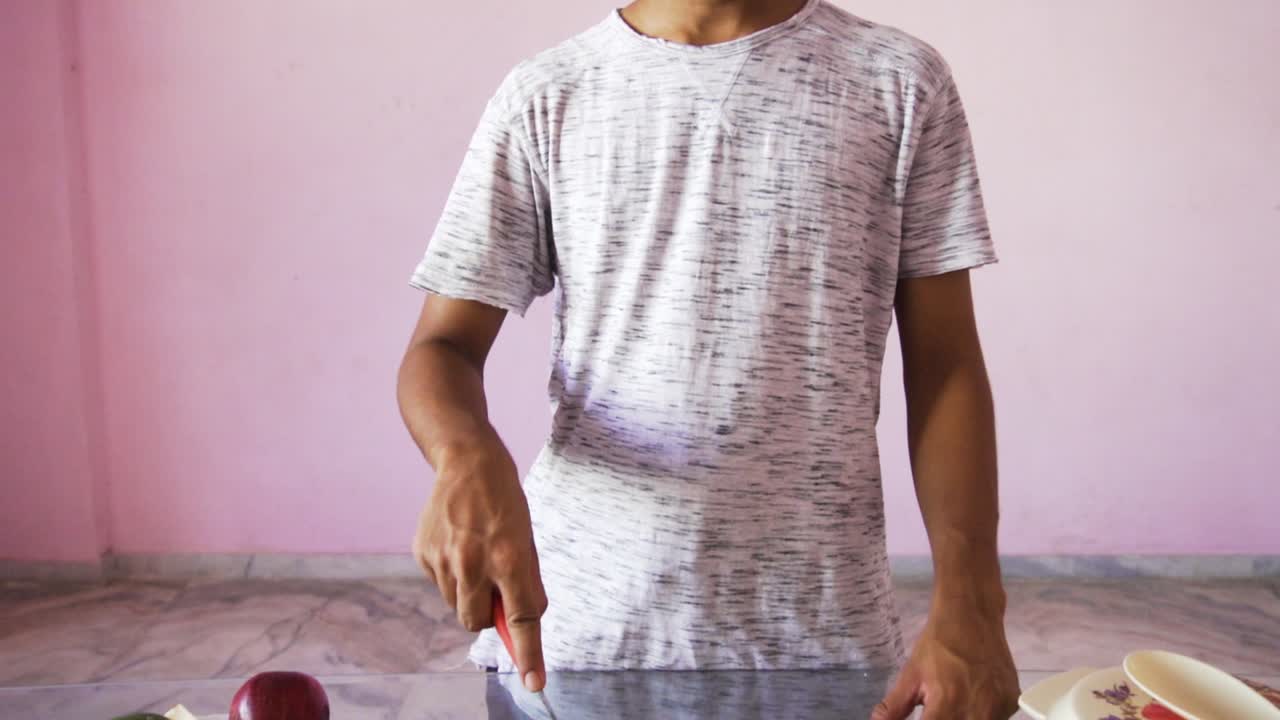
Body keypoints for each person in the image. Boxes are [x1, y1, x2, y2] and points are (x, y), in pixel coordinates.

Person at [397, 0, 1020, 717]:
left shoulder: (899, 82)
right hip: (575, 648)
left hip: (822, 647)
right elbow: (441, 347)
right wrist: (465, 456)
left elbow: (944, 364)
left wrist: (974, 604)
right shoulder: (550, 91)